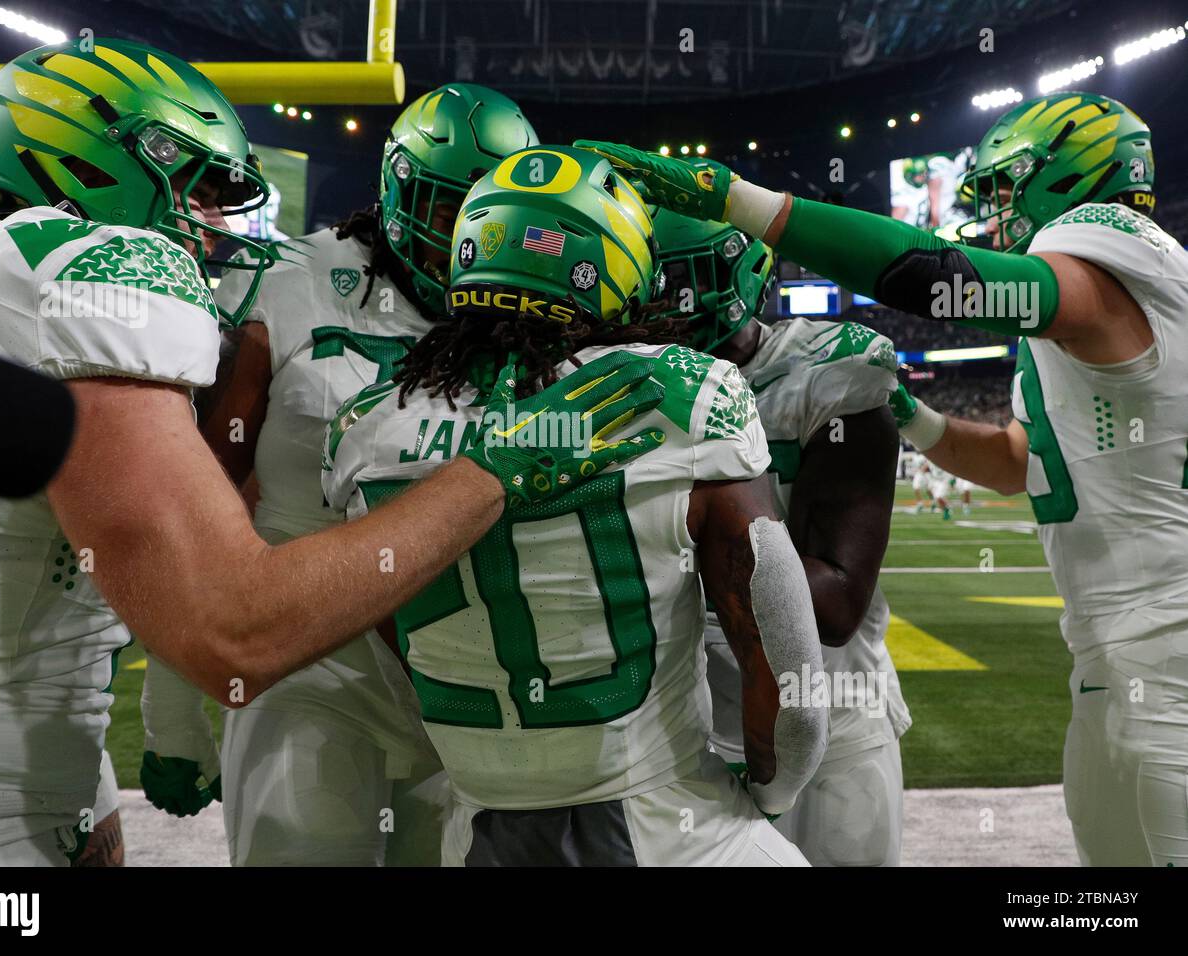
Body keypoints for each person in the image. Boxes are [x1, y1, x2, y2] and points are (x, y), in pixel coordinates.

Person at [0, 41, 663, 866]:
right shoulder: (109, 268)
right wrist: (487, 479)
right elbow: (234, 628)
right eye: (199, 190)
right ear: (98, 164)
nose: (216, 226)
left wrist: (81, 800)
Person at [577, 89, 1188, 866]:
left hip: (1166, 654)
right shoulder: (1086, 329)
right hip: (1122, 655)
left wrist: (742, 200)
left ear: (1068, 181)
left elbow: (945, 282)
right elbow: (1015, 461)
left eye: (1003, 189)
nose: (994, 214)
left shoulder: (1114, 250)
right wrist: (917, 419)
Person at [322, 146, 828, 866]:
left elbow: (390, 634)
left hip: (481, 833)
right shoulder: (684, 392)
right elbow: (793, 692)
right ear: (618, 262)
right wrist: (766, 802)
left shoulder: (363, 425)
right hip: (670, 827)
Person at [140, 83, 540, 866]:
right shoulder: (292, 280)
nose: (465, 234)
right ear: (397, 190)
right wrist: (173, 712)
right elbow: (195, 501)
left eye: (487, 210)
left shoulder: (527, 308)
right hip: (307, 659)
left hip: (466, 680)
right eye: (448, 204)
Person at [654, 209, 909, 865]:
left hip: (834, 715)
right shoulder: (630, 386)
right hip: (693, 734)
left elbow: (834, 607)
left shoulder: (826, 372)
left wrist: (687, 552)